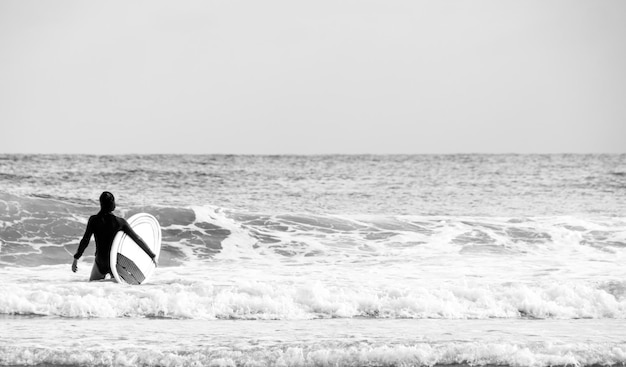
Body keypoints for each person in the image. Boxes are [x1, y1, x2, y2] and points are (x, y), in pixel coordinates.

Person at [72, 191, 156, 281]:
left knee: (93, 286)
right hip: (114, 262)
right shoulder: (120, 222)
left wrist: (76, 258)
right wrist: (152, 255)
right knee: (116, 288)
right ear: (112, 204)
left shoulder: (94, 220)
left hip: (100, 261)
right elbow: (137, 239)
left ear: (101, 203)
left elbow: (85, 240)